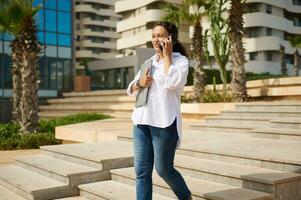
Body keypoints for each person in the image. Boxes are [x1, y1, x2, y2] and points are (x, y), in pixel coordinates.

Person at [127, 22, 192, 200]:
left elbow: (172, 83)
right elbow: (130, 89)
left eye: (161, 35)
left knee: (163, 169)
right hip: (141, 122)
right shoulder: (148, 62)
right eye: (154, 35)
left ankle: (185, 196)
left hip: (164, 122)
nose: (156, 39)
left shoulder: (181, 61)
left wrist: (168, 56)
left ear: (171, 38)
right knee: (141, 172)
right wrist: (139, 83)